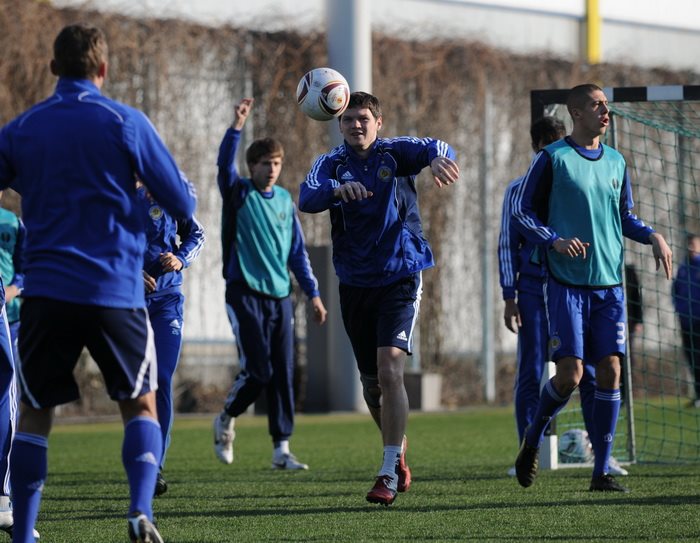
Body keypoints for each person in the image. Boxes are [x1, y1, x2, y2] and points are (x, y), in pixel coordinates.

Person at [0, 23, 197, 543]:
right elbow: (182, 202)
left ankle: (23, 534)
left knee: (35, 414)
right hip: (116, 291)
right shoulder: (126, 122)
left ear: (52, 68)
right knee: (140, 405)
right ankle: (138, 510)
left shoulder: (23, 128)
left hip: (46, 293)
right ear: (104, 70)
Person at [299, 91, 460, 505]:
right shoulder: (330, 164)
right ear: (339, 124)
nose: (356, 125)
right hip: (355, 282)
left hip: (401, 275)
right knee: (372, 386)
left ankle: (386, 471)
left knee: (391, 369)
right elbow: (307, 197)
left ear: (378, 123)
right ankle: (397, 449)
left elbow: (437, 146)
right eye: (349, 119)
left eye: (364, 119)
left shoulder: (395, 152)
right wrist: (338, 190)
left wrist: (437, 160)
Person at [511, 83, 672, 493]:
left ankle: (600, 471)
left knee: (612, 370)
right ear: (576, 113)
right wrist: (554, 240)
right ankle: (532, 438)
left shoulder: (616, 161)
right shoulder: (552, 158)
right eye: (597, 105)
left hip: (610, 284)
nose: (606, 111)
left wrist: (652, 235)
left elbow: (625, 216)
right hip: (566, 283)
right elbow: (521, 213)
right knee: (570, 375)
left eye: (607, 105)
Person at [213, 98, 327, 471]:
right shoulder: (238, 193)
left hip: (281, 297)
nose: (272, 169)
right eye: (266, 163)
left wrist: (313, 294)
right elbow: (223, 167)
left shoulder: (284, 201)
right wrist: (236, 127)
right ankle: (226, 418)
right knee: (258, 371)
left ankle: (282, 449)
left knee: (282, 372)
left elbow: (296, 253)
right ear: (252, 167)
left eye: (277, 163)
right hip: (244, 293)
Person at [137, 180, 205, 496]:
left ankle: (154, 466)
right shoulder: (111, 194)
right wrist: (128, 272)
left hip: (167, 303)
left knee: (161, 377)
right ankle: (139, 458)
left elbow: (197, 234)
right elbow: (97, 245)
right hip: (127, 304)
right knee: (138, 387)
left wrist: (181, 258)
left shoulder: (167, 192)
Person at [672, 233, 700, 408]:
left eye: (694, 244)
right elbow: (675, 291)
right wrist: (679, 309)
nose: (691, 247)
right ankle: (698, 395)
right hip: (686, 321)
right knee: (692, 358)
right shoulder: (683, 268)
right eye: (689, 244)